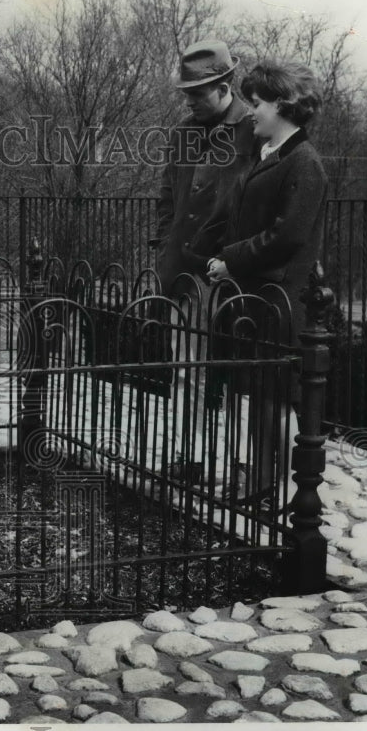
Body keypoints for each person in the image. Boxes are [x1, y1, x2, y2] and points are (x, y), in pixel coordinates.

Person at [203, 61, 328, 505]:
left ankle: (291, 494)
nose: (250, 112)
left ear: (282, 104)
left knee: (276, 400)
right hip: (259, 297)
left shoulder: (303, 162)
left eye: (256, 104)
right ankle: (262, 484)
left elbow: (288, 234)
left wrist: (230, 261)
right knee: (260, 397)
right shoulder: (272, 154)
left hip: (281, 297)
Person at [149, 41, 258, 479]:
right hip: (184, 272)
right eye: (186, 93)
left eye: (197, 92)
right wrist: (161, 247)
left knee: (241, 372)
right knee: (185, 369)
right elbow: (167, 197)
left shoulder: (255, 128)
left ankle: (243, 462)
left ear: (224, 85)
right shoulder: (181, 134)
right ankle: (190, 456)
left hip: (235, 271)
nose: (189, 100)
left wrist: (237, 258)